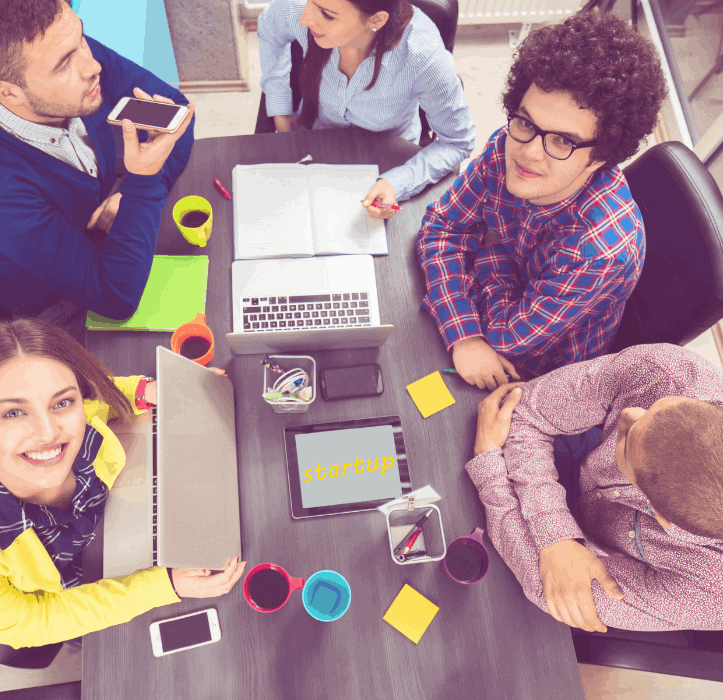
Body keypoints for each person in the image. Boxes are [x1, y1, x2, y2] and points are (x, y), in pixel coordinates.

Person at [0, 319, 247, 648]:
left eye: (61, 403)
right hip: (70, 591)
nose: (48, 432)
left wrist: (146, 391)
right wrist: (164, 586)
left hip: (109, 522)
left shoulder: (80, 412)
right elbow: (33, 623)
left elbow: (97, 398)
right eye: (13, 413)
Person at [417, 11, 668, 389]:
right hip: (483, 330)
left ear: (602, 156)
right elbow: (441, 228)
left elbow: (509, 342)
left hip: (544, 376)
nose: (529, 153)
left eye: (563, 141)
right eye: (526, 122)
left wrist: (487, 252)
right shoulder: (508, 144)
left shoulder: (602, 251)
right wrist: (465, 335)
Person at [0, 0, 195, 326]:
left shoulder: (65, 50)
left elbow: (178, 113)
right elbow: (115, 298)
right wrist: (143, 180)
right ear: (9, 94)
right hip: (51, 309)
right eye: (63, 64)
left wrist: (130, 192)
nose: (92, 66)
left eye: (81, 37)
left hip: (102, 236)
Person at [467, 343, 723, 632]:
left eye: (628, 438)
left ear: (662, 516)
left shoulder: (713, 595)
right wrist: (557, 537)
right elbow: (522, 412)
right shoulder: (668, 372)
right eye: (654, 408)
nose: (629, 413)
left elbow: (553, 592)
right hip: (563, 460)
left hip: (570, 555)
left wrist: (489, 467)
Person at [257, 0, 476, 218]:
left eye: (328, 15)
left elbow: (458, 141)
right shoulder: (307, 6)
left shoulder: (421, 52)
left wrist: (397, 183)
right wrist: (280, 110)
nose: (305, 19)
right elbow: (270, 27)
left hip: (388, 158)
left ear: (376, 20)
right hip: (314, 139)